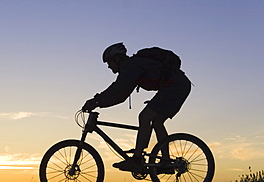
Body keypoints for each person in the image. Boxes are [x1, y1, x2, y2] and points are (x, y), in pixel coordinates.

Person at [82, 42, 191, 173]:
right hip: (177, 85)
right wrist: (98, 102)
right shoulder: (132, 66)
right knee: (156, 122)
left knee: (145, 117)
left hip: (175, 86)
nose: (109, 66)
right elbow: (120, 94)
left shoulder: (130, 66)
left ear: (117, 58)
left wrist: (96, 101)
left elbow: (118, 90)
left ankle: (137, 159)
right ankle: (166, 162)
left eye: (109, 62)